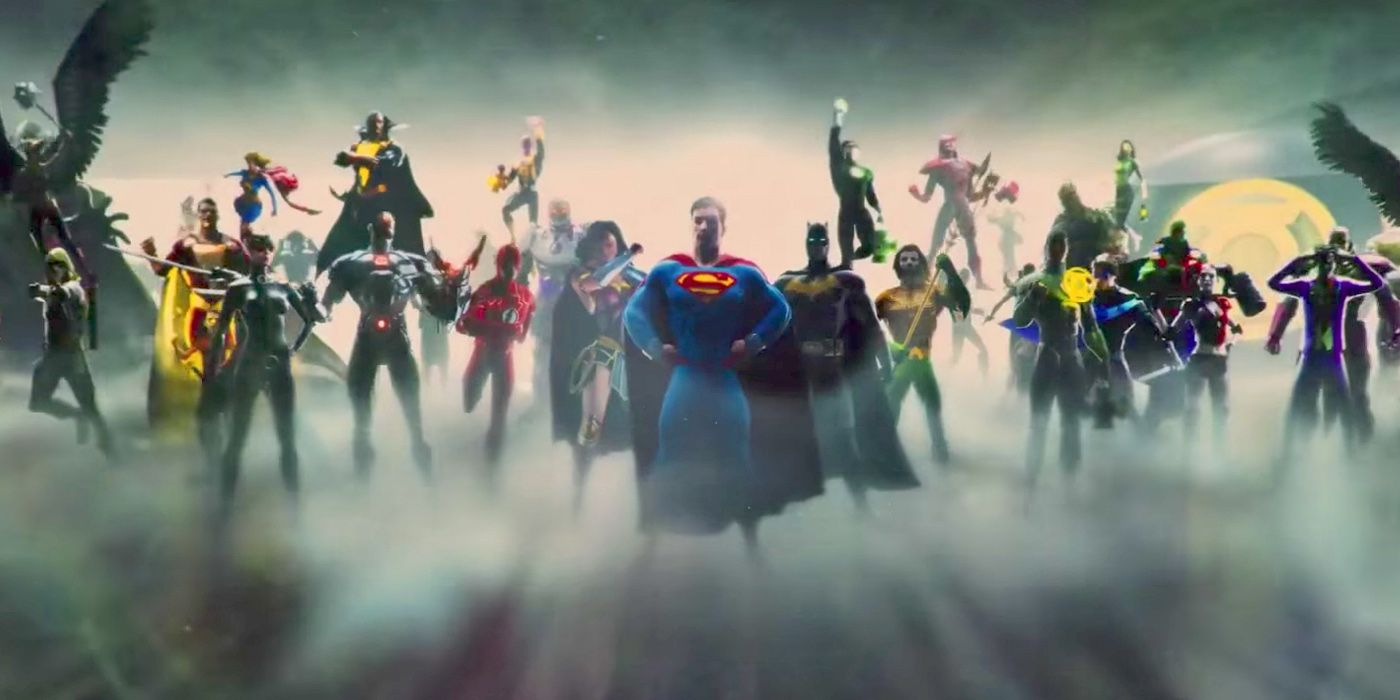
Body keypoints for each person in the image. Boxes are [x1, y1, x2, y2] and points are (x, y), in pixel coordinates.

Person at [623, 196, 822, 551]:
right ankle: (652, 541)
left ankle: (751, 542)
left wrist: (755, 342)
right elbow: (634, 312)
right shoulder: (668, 270)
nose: (703, 227)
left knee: (736, 455)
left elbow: (779, 309)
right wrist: (654, 347)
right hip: (686, 378)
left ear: (723, 227)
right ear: (691, 225)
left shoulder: (744, 273)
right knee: (670, 454)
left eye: (711, 221)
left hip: (724, 378)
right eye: (698, 220)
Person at [777, 223, 918, 510]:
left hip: (833, 371)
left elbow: (869, 326)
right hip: (802, 374)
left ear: (828, 244)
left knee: (842, 438)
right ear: (806, 243)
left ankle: (861, 506)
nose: (817, 246)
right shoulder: (786, 283)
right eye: (812, 241)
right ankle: (797, 508)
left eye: (821, 241)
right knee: (797, 440)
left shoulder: (846, 282)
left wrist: (884, 362)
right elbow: (773, 325)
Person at [322, 212, 461, 475]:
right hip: (370, 338)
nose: (384, 234)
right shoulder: (354, 263)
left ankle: (424, 475)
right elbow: (326, 305)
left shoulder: (410, 263)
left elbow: (441, 308)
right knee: (363, 422)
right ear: (372, 230)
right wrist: (314, 308)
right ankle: (363, 477)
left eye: (387, 229)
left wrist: (451, 290)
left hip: (395, 337)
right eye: (381, 229)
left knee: (413, 422)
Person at [205, 234, 320, 512]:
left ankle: (294, 504)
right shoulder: (238, 288)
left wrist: (293, 348)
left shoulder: (283, 287)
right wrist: (213, 369)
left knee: (287, 436)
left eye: (268, 249)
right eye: (258, 249)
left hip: (279, 362)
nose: (264, 254)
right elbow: (221, 331)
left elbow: (310, 320)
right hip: (250, 362)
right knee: (237, 435)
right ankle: (224, 503)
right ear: (250, 253)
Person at [1267, 227, 1400, 445]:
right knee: (1308, 398)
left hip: (1349, 340)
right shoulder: (1313, 272)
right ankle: (1305, 445)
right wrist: (1275, 334)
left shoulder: (1360, 268)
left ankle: (1358, 446)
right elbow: (1287, 301)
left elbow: (1385, 294)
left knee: (1355, 396)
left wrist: (1396, 326)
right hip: (1317, 343)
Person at [139, 198, 250, 449]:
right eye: (204, 212)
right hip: (199, 311)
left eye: (212, 211)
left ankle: (223, 411)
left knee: (230, 357)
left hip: (225, 308)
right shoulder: (186, 245)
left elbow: (247, 271)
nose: (208, 216)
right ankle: (208, 418)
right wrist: (151, 253)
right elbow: (162, 270)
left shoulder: (231, 246)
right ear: (199, 215)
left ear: (218, 215)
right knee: (206, 362)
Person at [550, 221, 641, 511]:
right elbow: (595, 284)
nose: (605, 248)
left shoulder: (632, 275)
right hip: (604, 350)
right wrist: (626, 257)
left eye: (610, 243)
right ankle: (578, 496)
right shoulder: (581, 274)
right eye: (600, 243)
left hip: (634, 352)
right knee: (591, 427)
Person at [1013, 231, 1108, 481]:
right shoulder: (1035, 282)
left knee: (1071, 421)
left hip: (1070, 357)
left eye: (1061, 246)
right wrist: (1033, 298)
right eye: (1053, 246)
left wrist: (1104, 363)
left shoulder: (1076, 282)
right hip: (1047, 355)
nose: (1057, 250)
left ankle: (1069, 479)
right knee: (1039, 421)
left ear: (1066, 249)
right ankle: (1031, 477)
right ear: (1046, 248)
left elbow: (1091, 327)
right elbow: (1020, 319)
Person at [875, 244, 970, 464]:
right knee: (901, 401)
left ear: (921, 263)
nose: (909, 263)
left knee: (930, 403)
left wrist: (950, 271)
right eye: (904, 259)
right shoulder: (885, 298)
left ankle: (936, 452)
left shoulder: (933, 293)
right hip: (900, 359)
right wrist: (890, 350)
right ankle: (888, 452)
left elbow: (961, 308)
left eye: (913, 259)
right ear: (897, 265)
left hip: (922, 358)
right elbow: (871, 331)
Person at [317, 112, 434, 275]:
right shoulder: (359, 147)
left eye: (378, 123)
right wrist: (354, 159)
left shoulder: (394, 148)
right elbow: (341, 159)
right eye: (371, 123)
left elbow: (384, 162)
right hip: (363, 203)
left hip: (390, 204)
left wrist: (356, 158)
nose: (374, 127)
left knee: (410, 252)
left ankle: (424, 280)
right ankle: (323, 280)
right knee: (336, 244)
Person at [27, 248, 113, 458]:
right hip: (53, 356)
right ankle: (76, 416)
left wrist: (49, 291)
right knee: (38, 402)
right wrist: (39, 290)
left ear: (65, 268)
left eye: (56, 267)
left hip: (73, 357)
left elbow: (65, 293)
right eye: (49, 267)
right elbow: (44, 293)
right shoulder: (53, 291)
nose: (52, 271)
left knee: (91, 408)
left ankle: (110, 451)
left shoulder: (74, 288)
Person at [458, 244, 535, 467]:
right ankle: (486, 455)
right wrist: (484, 327)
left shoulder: (524, 295)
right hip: (483, 352)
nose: (509, 270)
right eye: (506, 265)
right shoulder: (485, 291)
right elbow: (464, 323)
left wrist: (515, 331)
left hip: (503, 355)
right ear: (499, 265)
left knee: (499, 417)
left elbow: (524, 328)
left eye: (513, 265)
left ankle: (492, 466)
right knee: (469, 400)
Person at [516, 198, 584, 410]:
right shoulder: (536, 235)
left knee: (577, 354)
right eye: (555, 210)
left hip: (574, 302)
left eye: (561, 209)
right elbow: (520, 272)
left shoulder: (582, 234)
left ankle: (574, 405)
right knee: (542, 355)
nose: (558, 213)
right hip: (546, 301)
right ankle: (540, 404)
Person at [1172, 264, 1241, 445]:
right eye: (1203, 276)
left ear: (1216, 280)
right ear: (1198, 280)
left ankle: (1220, 448)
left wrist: (1231, 343)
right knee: (1193, 408)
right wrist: (1156, 313)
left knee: (1222, 408)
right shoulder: (1191, 305)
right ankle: (1188, 449)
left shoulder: (1222, 304)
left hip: (1219, 360)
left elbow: (1237, 329)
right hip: (1200, 359)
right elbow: (1171, 332)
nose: (1207, 279)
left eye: (1211, 276)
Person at [909, 134, 990, 288]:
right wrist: (984, 193)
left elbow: (927, 197)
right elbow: (970, 196)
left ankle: (978, 280)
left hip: (954, 206)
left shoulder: (949, 166)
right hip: (960, 206)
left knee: (940, 244)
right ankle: (978, 280)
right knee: (964, 243)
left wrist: (916, 194)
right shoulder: (957, 166)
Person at [828, 99, 890, 266]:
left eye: (854, 149)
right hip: (846, 211)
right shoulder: (840, 167)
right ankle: (847, 263)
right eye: (848, 150)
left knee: (869, 245)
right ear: (844, 152)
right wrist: (838, 118)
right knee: (846, 248)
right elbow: (834, 145)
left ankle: (854, 257)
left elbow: (870, 192)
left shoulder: (866, 173)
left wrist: (878, 207)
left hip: (861, 211)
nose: (851, 152)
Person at [226, 152, 319, 239]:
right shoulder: (246, 173)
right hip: (242, 203)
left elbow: (273, 195)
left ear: (256, 164)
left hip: (253, 205)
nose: (249, 166)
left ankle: (307, 210)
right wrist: (227, 175)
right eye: (248, 163)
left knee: (245, 225)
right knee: (243, 225)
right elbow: (237, 173)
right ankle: (246, 241)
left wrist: (275, 209)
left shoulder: (263, 177)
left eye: (251, 163)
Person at [493, 116, 546, 236]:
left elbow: (541, 151)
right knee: (505, 210)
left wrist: (537, 130)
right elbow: (508, 181)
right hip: (521, 193)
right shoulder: (518, 163)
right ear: (522, 147)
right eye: (524, 146)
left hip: (531, 194)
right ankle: (513, 237)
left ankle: (534, 232)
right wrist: (499, 179)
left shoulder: (535, 160)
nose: (526, 148)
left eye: (528, 145)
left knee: (533, 225)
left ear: (531, 146)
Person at [986, 182, 1024, 278]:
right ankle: (1009, 274)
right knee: (1009, 258)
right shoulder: (1007, 204)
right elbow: (1003, 220)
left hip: (1006, 237)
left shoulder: (1006, 204)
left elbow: (998, 218)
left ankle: (1009, 274)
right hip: (1006, 238)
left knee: (1009, 258)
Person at [1112, 140, 1149, 230]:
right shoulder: (1120, 160)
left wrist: (1144, 190)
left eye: (1128, 147)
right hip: (1118, 187)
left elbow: (1141, 176)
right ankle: (1119, 225)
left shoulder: (1132, 161)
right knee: (1118, 207)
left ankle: (1122, 225)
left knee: (1125, 207)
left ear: (1131, 149)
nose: (1126, 149)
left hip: (1125, 187)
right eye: (1124, 147)